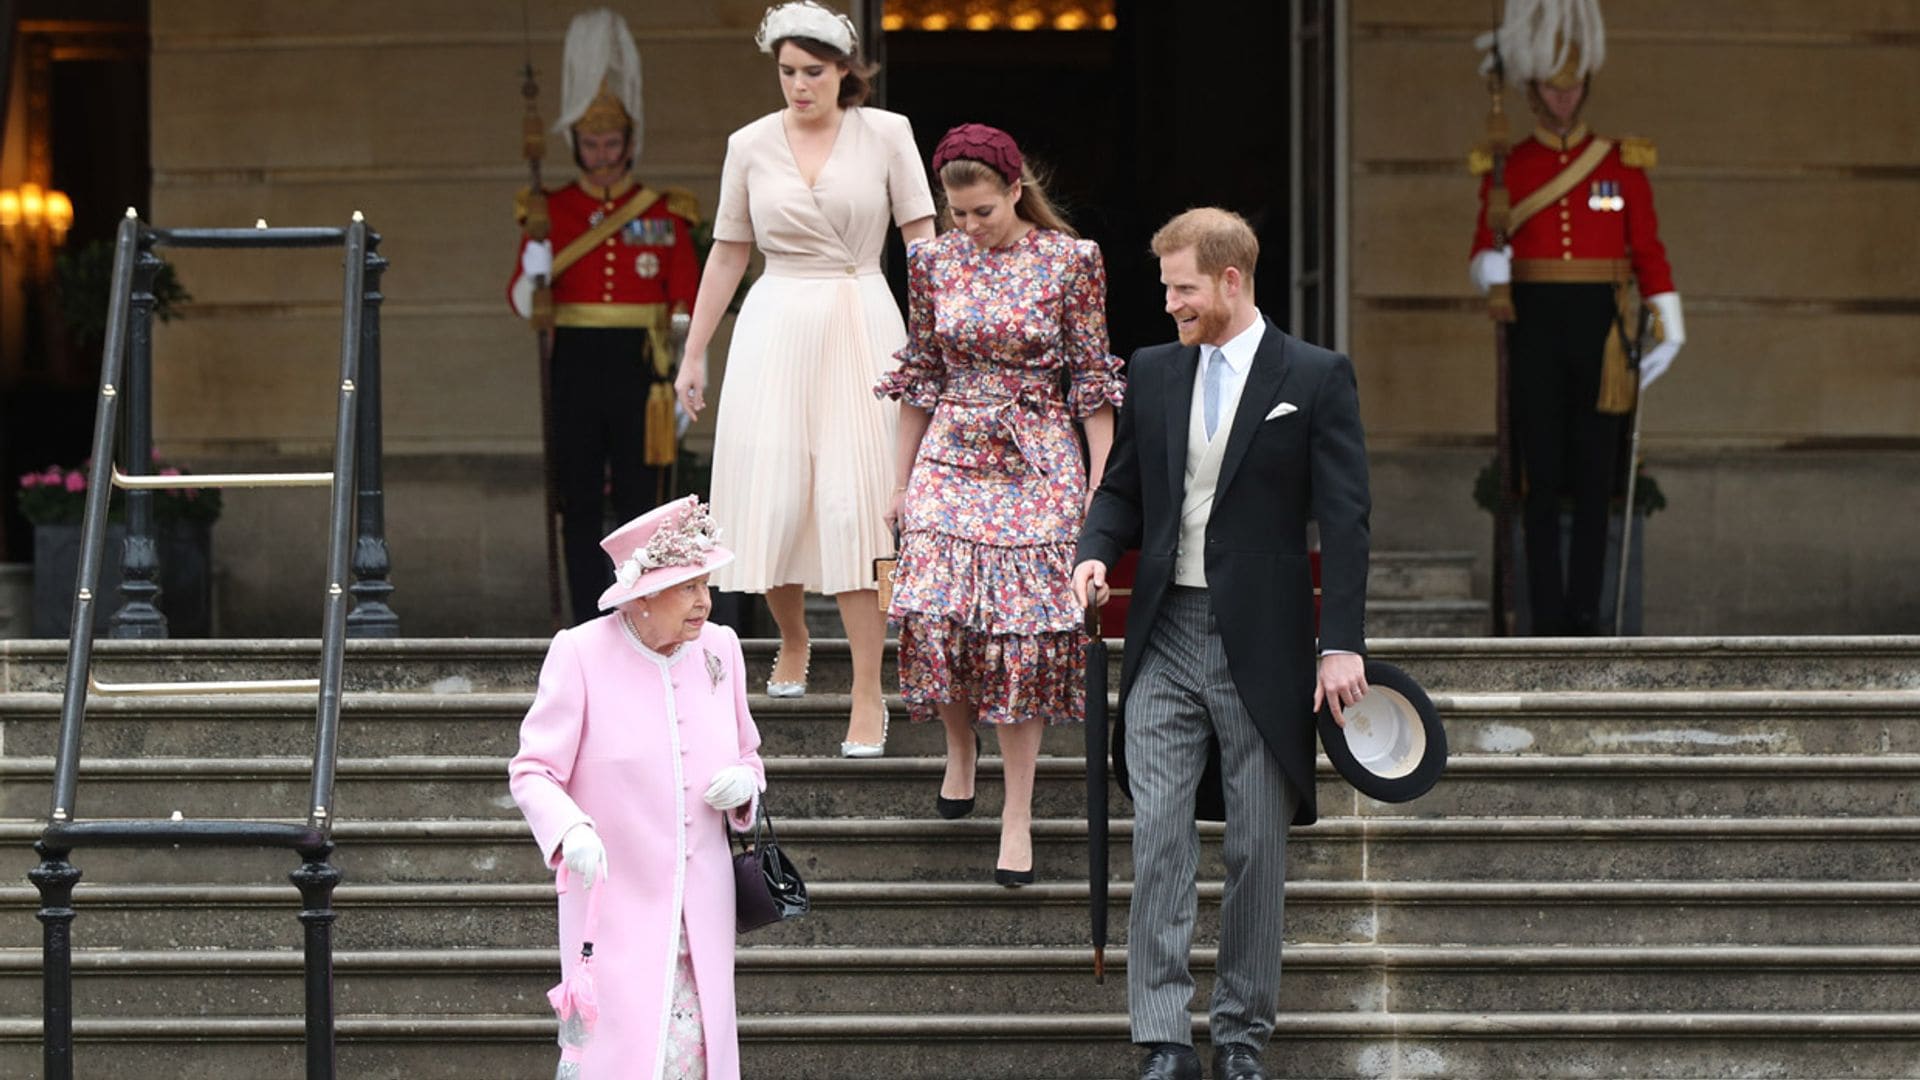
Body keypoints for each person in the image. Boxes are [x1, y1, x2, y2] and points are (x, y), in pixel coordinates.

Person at [1071, 208, 1371, 1080]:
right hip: (1163, 632)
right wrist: (1093, 554)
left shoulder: (1313, 376)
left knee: (1254, 849)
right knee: (1159, 834)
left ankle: (1241, 1040)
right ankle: (1163, 1036)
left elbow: (1346, 521)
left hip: (1266, 644)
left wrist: (1340, 642)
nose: (1169, 305)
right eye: (1167, 288)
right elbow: (1122, 490)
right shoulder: (1156, 371)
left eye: (1183, 288)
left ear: (1231, 281)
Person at [674, 0, 935, 756]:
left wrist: (936, 340)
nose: (798, 85)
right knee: (776, 495)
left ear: (846, 70)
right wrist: (695, 353)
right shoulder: (749, 144)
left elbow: (921, 240)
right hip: (776, 320)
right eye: (786, 71)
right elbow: (729, 251)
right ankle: (792, 637)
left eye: (812, 72)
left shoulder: (887, 134)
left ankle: (866, 689)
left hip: (862, 315)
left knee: (857, 506)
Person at [875, 123, 1121, 886]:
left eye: (984, 211)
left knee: (1022, 634)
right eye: (959, 214)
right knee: (931, 607)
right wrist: (900, 481)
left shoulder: (1071, 261)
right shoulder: (930, 261)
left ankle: (1016, 814)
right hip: (952, 446)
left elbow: (1091, 381)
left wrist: (1099, 489)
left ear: (1017, 190)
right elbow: (921, 374)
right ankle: (959, 744)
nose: (971, 227)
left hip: (1040, 451)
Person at [509, 495, 765, 1080]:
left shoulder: (721, 649)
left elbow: (748, 754)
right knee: (619, 1058)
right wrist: (569, 827)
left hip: (703, 903)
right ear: (642, 595)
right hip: (615, 906)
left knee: (698, 1058)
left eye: (707, 584)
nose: (705, 601)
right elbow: (532, 770)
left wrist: (745, 787)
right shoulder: (578, 653)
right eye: (688, 587)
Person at [1469, 0, 1684, 634]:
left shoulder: (1622, 162)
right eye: (1552, 88)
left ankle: (1589, 615)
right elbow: (1482, 248)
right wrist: (1490, 266)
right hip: (1534, 323)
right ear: (1533, 89)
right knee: (1541, 475)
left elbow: (1646, 247)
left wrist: (1670, 316)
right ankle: (1547, 621)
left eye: (1573, 87)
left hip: (1602, 329)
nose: (1564, 100)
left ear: (1586, 84)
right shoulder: (1509, 165)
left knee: (1596, 476)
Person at [507, 8, 701, 625]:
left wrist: (679, 376)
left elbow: (685, 301)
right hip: (577, 361)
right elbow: (519, 299)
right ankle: (590, 614)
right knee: (580, 494)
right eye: (590, 144)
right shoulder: (549, 208)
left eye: (611, 143)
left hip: (642, 365)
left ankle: (646, 608)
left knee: (646, 498)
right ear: (575, 145)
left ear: (628, 142)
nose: (601, 154)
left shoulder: (665, 212)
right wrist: (536, 267)